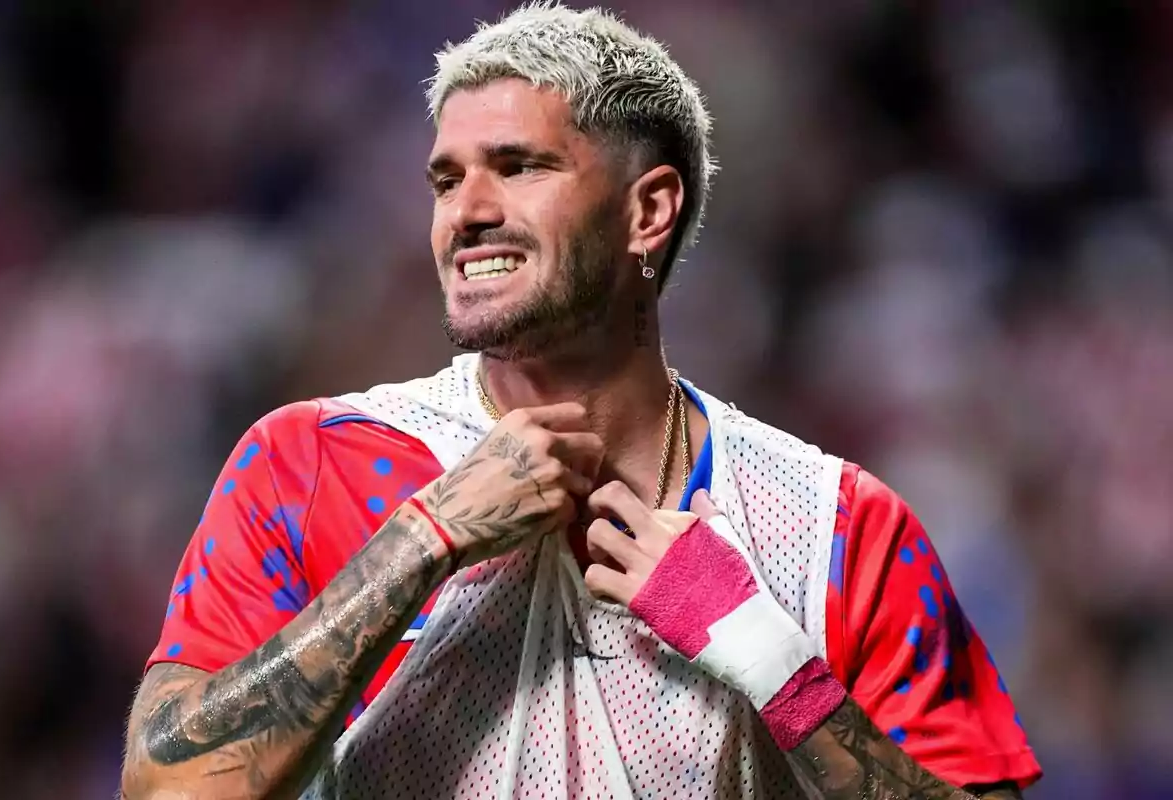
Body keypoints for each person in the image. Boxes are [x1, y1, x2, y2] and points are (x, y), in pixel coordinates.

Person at [120, 4, 1042, 799]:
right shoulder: (311, 461)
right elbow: (167, 787)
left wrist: (778, 668)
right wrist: (421, 540)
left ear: (648, 212)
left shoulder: (841, 527)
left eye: (519, 166)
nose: (465, 210)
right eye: (447, 178)